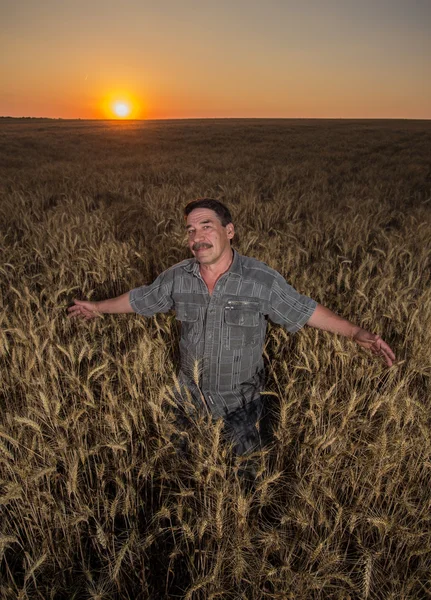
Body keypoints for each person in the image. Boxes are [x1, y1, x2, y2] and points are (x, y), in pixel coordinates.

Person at [68, 198, 395, 459]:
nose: (196, 237)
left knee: (245, 484)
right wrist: (97, 307)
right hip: (189, 401)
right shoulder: (177, 277)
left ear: (230, 231)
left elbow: (303, 309)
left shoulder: (259, 279)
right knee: (189, 472)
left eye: (206, 226)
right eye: (190, 230)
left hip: (241, 406)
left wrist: (354, 333)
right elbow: (140, 299)